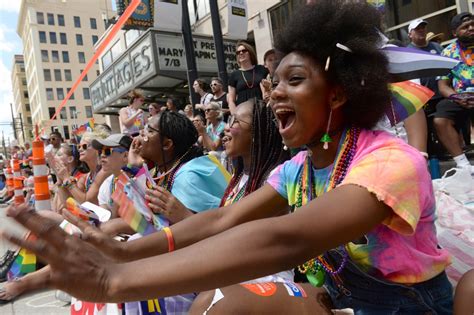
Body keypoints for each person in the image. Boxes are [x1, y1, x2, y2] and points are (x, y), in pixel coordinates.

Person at [3, 2, 453, 314]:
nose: (274, 91)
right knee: (213, 301)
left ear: (339, 92)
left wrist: (111, 281)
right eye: (273, 81)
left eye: (293, 79)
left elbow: (286, 239)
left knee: (228, 303)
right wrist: (122, 253)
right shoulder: (296, 168)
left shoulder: (391, 161)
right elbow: (221, 221)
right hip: (334, 300)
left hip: (405, 308)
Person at [434, 12, 474, 173]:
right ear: (454, 32)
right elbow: (443, 85)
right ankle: (463, 164)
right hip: (461, 97)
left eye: (473, 25)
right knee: (440, 119)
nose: (471, 28)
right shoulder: (447, 53)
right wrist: (457, 97)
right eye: (465, 27)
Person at [228, 41, 269, 113]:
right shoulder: (234, 75)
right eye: (238, 52)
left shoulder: (261, 69)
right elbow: (231, 100)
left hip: (262, 110)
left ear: (250, 52)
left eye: (244, 51)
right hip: (243, 113)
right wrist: (235, 115)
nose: (241, 53)